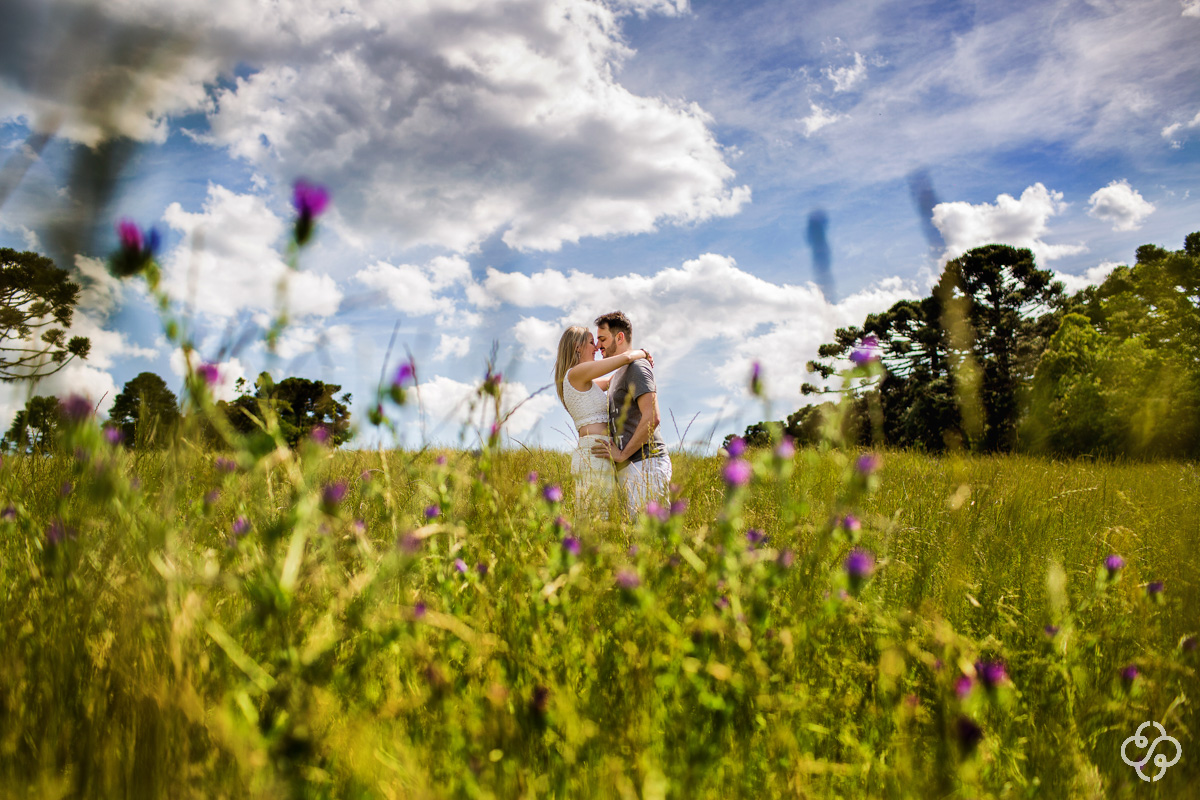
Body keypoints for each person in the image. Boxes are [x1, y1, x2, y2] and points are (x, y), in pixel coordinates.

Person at [553, 325, 654, 520]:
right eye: (592, 342)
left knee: (600, 515)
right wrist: (643, 353)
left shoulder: (582, 380)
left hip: (597, 451)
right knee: (597, 518)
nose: (596, 347)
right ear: (577, 347)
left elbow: (612, 381)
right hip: (595, 452)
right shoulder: (576, 373)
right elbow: (623, 359)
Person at [590, 311, 672, 518]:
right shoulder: (619, 373)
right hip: (631, 467)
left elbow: (652, 417)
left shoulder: (637, 367)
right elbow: (583, 386)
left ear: (619, 337)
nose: (599, 346)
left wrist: (622, 454)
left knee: (651, 539)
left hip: (646, 464)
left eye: (602, 339)